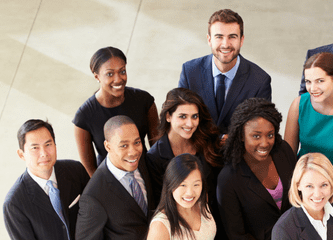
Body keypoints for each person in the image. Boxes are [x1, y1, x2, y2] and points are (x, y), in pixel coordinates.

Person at [147, 88, 226, 239]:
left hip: (212, 221)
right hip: (181, 229)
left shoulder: (207, 142)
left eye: (194, 116)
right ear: (168, 116)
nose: (190, 123)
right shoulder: (155, 157)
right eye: (182, 116)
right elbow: (161, 202)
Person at [179, 9, 272, 135]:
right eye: (219, 37)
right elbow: (181, 119)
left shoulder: (260, 81)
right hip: (197, 150)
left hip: (239, 152)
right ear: (209, 39)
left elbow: (261, 130)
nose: (225, 44)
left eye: (232, 37)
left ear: (241, 40)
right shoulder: (190, 72)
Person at [217, 98, 297, 240]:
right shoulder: (228, 179)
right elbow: (237, 235)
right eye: (256, 136)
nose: (265, 143)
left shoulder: (283, 150)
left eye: (270, 135)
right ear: (241, 135)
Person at [74, 46, 159, 176]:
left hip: (145, 174)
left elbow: (157, 148)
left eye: (122, 71)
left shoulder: (144, 101)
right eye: (110, 74)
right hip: (110, 181)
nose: (118, 79)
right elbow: (90, 169)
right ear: (97, 76)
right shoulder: (84, 116)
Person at [4, 119, 90, 240]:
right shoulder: (14, 203)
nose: (44, 153)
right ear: (21, 154)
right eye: (35, 148)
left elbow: (95, 213)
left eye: (48, 145)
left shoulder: (76, 170)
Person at [76, 115, 159, 240]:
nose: (133, 152)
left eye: (137, 142)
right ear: (108, 146)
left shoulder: (141, 161)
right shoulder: (93, 196)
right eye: (124, 146)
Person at [272, 153, 333, 240]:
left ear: (332, 184)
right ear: (298, 185)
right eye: (309, 186)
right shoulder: (283, 230)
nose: (317, 194)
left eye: (324, 185)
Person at [147, 154, 216, 240]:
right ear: (171, 185)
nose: (190, 192)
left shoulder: (201, 201)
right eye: (183, 185)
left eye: (196, 184)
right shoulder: (160, 226)